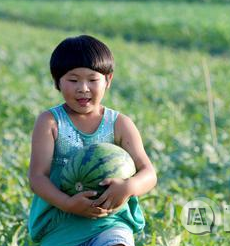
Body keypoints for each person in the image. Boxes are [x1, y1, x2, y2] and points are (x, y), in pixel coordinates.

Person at [28, 35, 157, 246]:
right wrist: (68, 203)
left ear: (108, 80)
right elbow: (37, 177)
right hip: (62, 223)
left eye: (92, 79)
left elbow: (148, 173)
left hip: (110, 222)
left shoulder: (120, 124)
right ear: (57, 82)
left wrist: (128, 187)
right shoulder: (50, 122)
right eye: (73, 80)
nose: (83, 88)